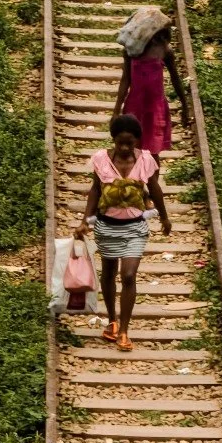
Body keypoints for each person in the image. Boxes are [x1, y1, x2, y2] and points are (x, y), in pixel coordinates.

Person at [77, 114, 171, 351]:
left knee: (128, 275)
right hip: (106, 227)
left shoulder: (146, 160)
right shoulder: (101, 160)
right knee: (109, 272)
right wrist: (85, 221)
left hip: (135, 228)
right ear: (113, 140)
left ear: (137, 141)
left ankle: (125, 330)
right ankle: (112, 321)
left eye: (130, 143)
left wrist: (164, 216)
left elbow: (155, 189)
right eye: (121, 143)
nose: (125, 148)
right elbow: (95, 191)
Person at [111, 5, 188, 156]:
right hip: (134, 105)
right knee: (132, 149)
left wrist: (185, 106)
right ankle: (133, 180)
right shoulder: (131, 51)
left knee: (153, 152)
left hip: (155, 107)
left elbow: (175, 79)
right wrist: (116, 110)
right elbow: (125, 79)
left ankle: (152, 180)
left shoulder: (165, 51)